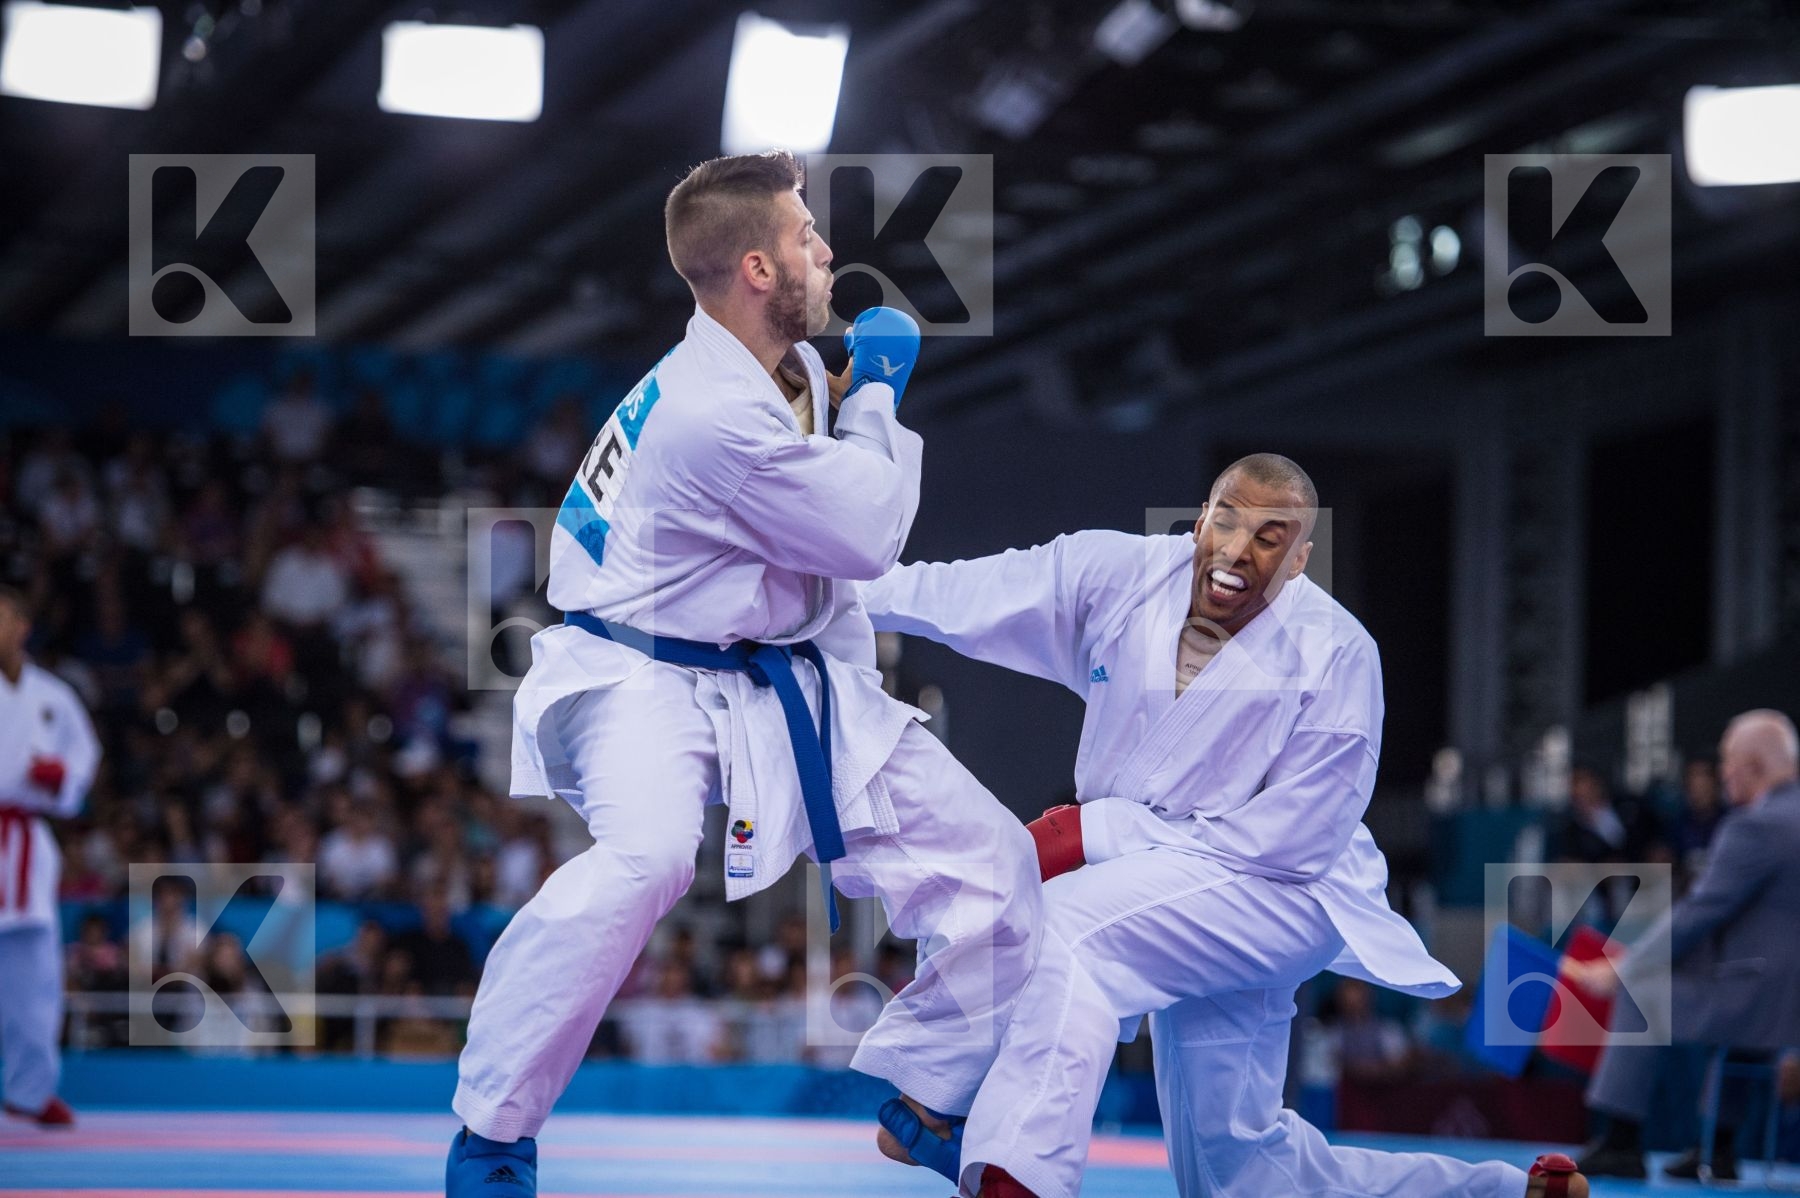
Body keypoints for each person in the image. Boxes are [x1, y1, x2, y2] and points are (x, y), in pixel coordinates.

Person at [445, 151, 1053, 1197]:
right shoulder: (702, 411)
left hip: (769, 672)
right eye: (809, 236)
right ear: (761, 269)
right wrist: (883, 399)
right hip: (637, 674)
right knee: (646, 860)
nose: (829, 253)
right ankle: (492, 1135)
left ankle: (929, 1100)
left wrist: (852, 392)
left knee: (1000, 869)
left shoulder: (789, 372)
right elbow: (864, 531)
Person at [862, 454, 1584, 1198]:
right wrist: (837, 596)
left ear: (1301, 559)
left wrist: (1096, 832)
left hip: (1285, 894)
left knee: (1063, 930)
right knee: (1234, 1167)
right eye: (1227, 520)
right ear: (1201, 517)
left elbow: (1292, 844)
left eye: (1270, 538)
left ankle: (1010, 1176)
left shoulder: (1338, 654)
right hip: (1162, 886)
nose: (1238, 550)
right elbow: (973, 589)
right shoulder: (1122, 576)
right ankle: (1499, 1192)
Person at [1569, 708, 1800, 1183]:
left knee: (1644, 990)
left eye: (1726, 761)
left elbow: (1699, 912)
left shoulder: (1757, 826)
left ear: (1754, 765)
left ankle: (1620, 1142)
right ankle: (1720, 1149)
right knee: (1736, 1013)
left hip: (1763, 1001)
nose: (1722, 774)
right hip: (1783, 1002)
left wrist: (1622, 969)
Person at [0, 585, 102, 1127]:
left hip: (25, 845)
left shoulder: (52, 697)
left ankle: (30, 1092)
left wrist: (63, 778)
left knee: (35, 976)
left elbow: (85, 753)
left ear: (23, 626)